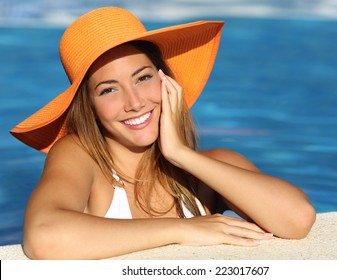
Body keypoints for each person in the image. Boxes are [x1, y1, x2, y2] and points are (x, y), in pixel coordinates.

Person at [10, 7, 316, 260]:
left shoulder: (210, 168)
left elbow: (297, 219)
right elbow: (44, 237)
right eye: (109, 89)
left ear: (167, 84)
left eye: (143, 78)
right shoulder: (79, 155)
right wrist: (184, 229)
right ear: (89, 107)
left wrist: (180, 154)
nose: (135, 102)